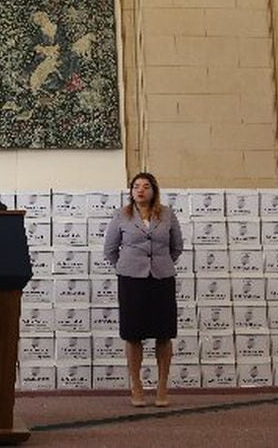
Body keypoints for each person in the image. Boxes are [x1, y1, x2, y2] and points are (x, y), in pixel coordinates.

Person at [103, 172, 183, 408]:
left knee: (164, 334)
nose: (140, 190)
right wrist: (126, 266)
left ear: (154, 190)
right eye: (136, 186)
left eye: (146, 186)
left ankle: (162, 386)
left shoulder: (167, 214)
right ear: (131, 191)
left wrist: (161, 263)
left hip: (161, 278)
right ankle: (136, 386)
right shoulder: (121, 215)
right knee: (133, 334)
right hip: (131, 280)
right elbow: (110, 249)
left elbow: (176, 247)